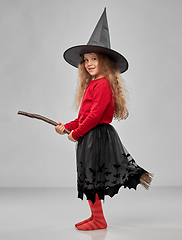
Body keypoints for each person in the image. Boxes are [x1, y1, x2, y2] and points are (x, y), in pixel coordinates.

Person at [55, 9, 153, 231]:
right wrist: (66, 127)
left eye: (94, 59)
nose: (89, 63)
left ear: (105, 62)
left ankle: (99, 219)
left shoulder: (103, 85)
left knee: (92, 177)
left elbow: (95, 116)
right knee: (88, 176)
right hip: (90, 134)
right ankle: (96, 216)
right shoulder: (92, 84)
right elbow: (83, 116)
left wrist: (76, 133)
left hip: (96, 136)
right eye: (86, 59)